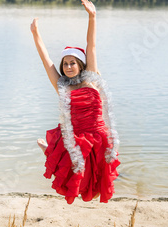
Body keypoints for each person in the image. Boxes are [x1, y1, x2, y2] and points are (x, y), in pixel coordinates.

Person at [31, 0, 120, 204]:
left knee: (96, 191)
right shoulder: (63, 86)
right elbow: (46, 62)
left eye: (72, 63)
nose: (69, 66)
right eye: (65, 64)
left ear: (80, 64)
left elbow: (92, 46)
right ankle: (51, 151)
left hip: (98, 135)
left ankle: (51, 150)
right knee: (74, 180)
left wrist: (92, 16)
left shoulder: (91, 77)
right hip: (75, 135)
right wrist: (36, 34)